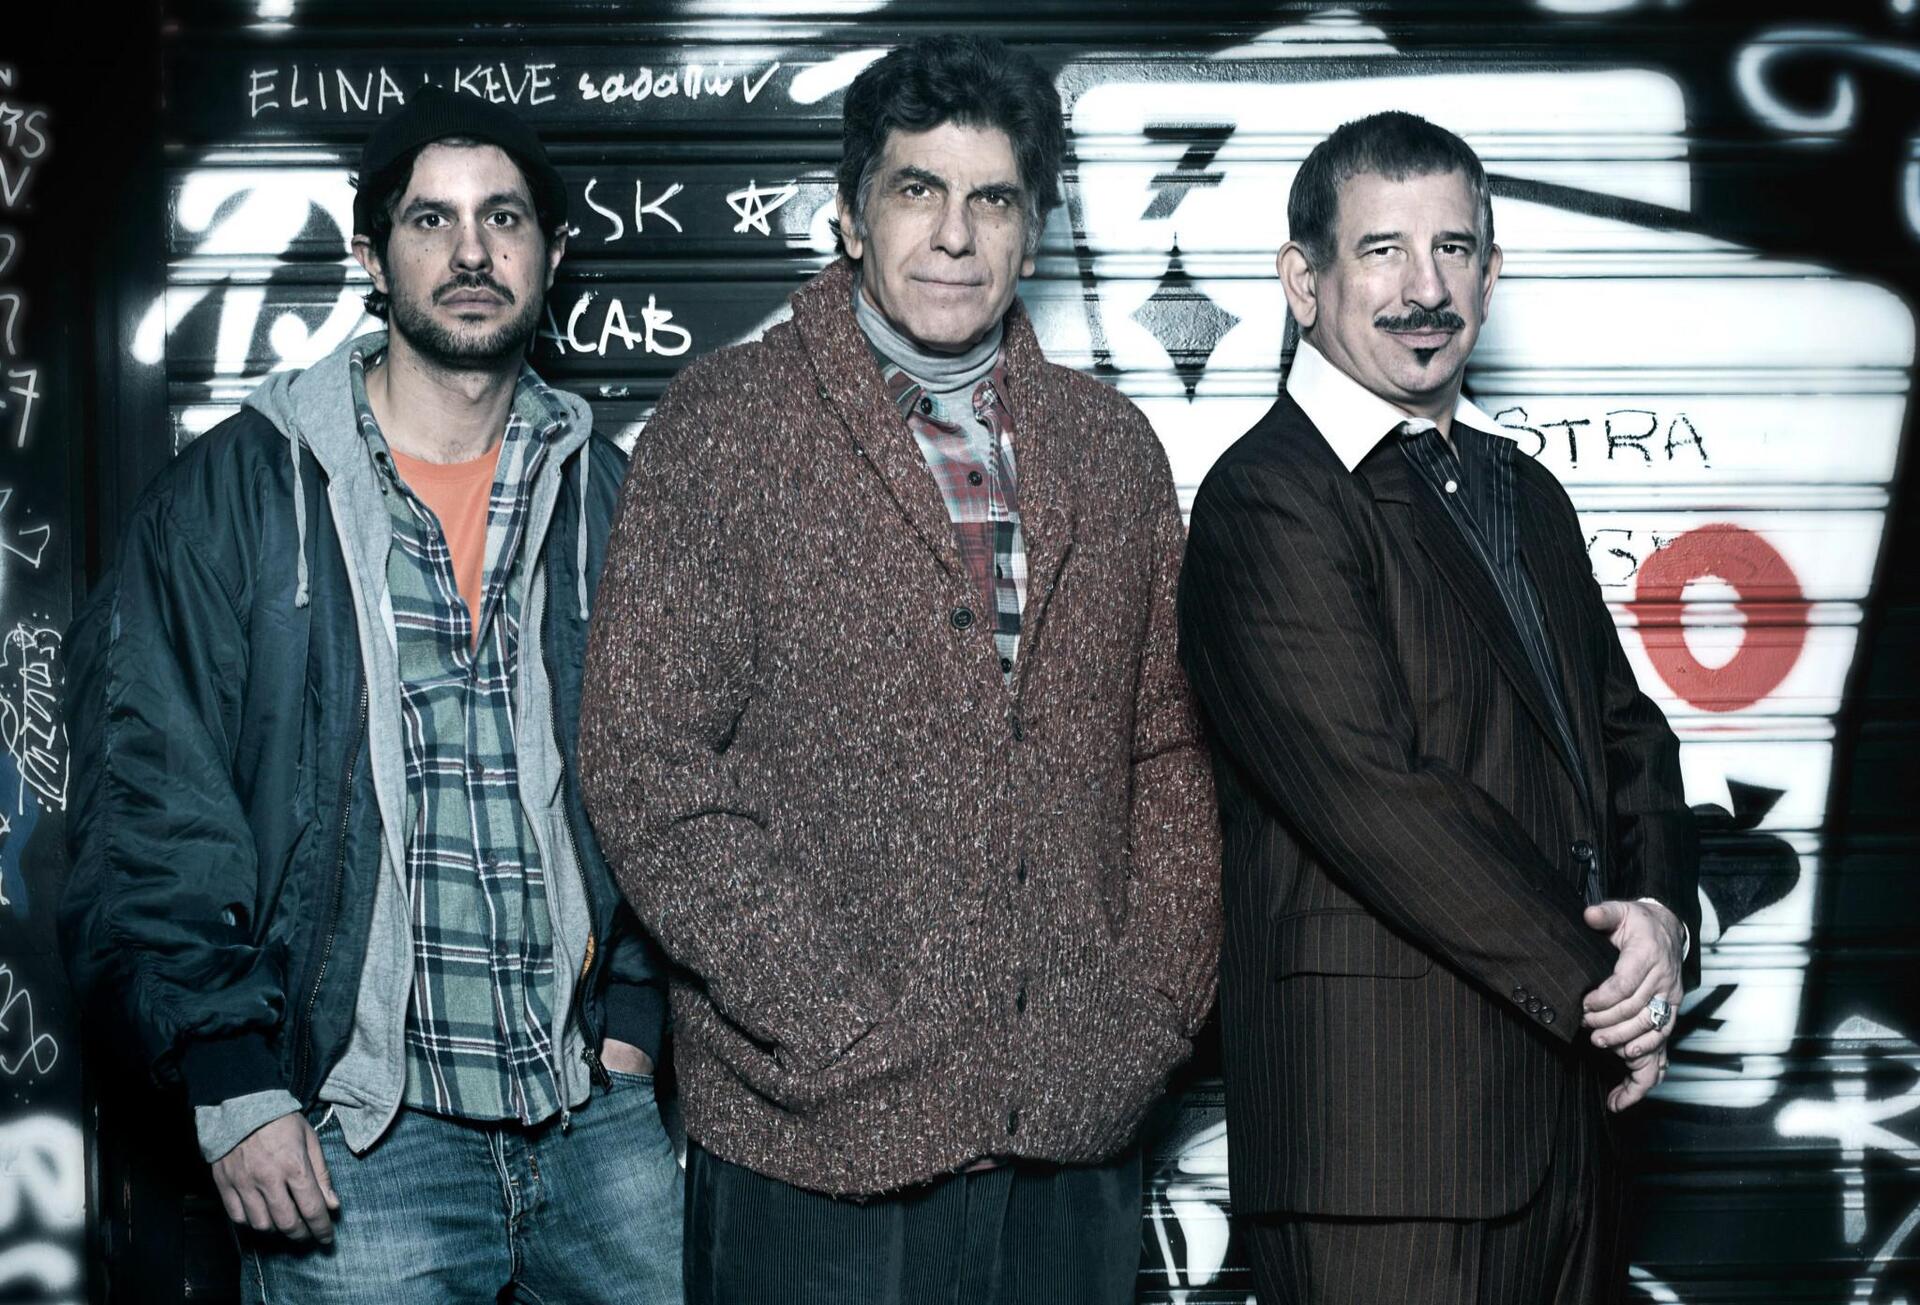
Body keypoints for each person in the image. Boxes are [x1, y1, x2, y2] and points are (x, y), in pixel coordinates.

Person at [577, 34, 1222, 1305]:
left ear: (1034, 231)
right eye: (918, 190)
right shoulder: (724, 428)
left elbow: (1169, 750)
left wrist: (1149, 1013)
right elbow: (646, 759)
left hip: (1069, 1129)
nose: (955, 235)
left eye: (994, 199)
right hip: (815, 1132)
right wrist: (826, 1016)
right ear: (849, 213)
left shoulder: (1111, 449)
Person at [59, 87, 682, 1304]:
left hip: (591, 1116)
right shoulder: (238, 496)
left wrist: (633, 1019)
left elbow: (679, 771)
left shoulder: (608, 500)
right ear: (370, 256)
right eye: (430, 220)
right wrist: (233, 1077)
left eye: (504, 218)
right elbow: (150, 795)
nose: (471, 252)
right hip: (356, 1138)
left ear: (552, 254)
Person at [1177, 111, 1700, 1304]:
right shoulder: (1268, 498)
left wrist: (1662, 923)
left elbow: (1627, 737)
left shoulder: (1525, 494)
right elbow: (1377, 800)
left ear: (1491, 273)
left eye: (1453, 249)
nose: (1426, 289)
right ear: (1302, 282)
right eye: (1383, 251)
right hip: (1386, 1146)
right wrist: (1609, 990)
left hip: (1568, 1133)